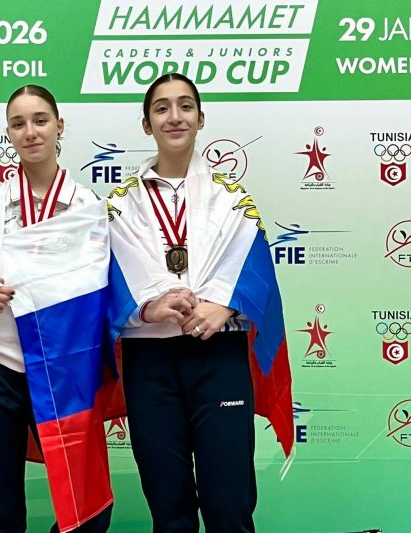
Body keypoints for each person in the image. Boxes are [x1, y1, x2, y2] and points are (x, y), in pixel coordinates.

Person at [107, 73, 293, 532]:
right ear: (147, 124)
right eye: (162, 108)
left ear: (201, 118)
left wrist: (225, 305)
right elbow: (107, 276)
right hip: (150, 360)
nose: (175, 117)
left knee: (229, 501)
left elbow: (256, 269)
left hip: (218, 355)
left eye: (185, 106)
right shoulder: (120, 203)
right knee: (168, 504)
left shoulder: (232, 198)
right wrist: (149, 308)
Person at [0, 85, 114, 533]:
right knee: (0, 515)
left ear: (59, 126)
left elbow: (100, 289)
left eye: (40, 120)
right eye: (18, 124)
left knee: (90, 511)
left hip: (64, 370)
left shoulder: (88, 208)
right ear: (9, 134)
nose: (30, 132)